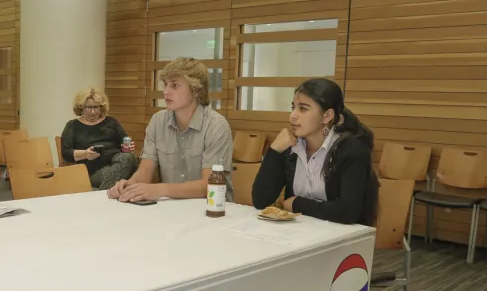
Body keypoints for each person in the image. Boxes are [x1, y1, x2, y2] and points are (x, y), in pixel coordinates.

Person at [251, 78, 379, 225]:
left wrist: (297, 204)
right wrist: (274, 151)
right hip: (298, 234)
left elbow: (347, 212)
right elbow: (260, 201)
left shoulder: (351, 150)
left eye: (303, 109)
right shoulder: (289, 147)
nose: (292, 115)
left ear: (327, 116)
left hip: (341, 238)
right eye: (293, 107)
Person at [107, 58, 233, 202]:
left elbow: (209, 185)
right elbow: (144, 175)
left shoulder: (216, 126)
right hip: (172, 210)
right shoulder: (157, 121)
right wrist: (127, 186)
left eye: (174, 85)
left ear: (195, 89)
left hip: (212, 211)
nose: (166, 92)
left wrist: (161, 189)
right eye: (165, 84)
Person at [61, 87, 138, 190]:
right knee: (124, 169)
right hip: (93, 169)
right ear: (81, 107)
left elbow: (124, 142)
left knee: (128, 157)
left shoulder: (111, 121)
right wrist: (85, 154)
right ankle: (107, 192)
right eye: (88, 107)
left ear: (101, 107)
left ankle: (106, 191)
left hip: (118, 162)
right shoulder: (73, 125)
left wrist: (128, 146)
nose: (93, 112)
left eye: (96, 107)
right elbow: (66, 153)